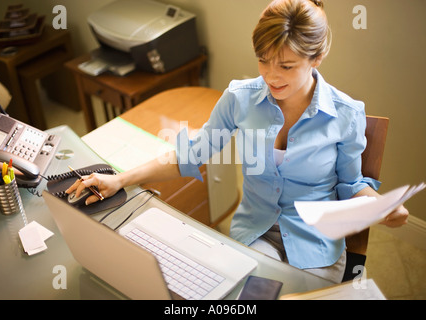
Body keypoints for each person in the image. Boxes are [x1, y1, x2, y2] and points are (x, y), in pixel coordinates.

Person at [66, 0, 408, 283]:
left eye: (287, 66)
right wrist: (120, 179)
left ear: (316, 59)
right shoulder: (240, 99)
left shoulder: (347, 114)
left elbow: (351, 184)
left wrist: (380, 204)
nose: (272, 76)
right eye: (263, 61)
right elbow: (190, 155)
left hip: (316, 243)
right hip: (255, 233)